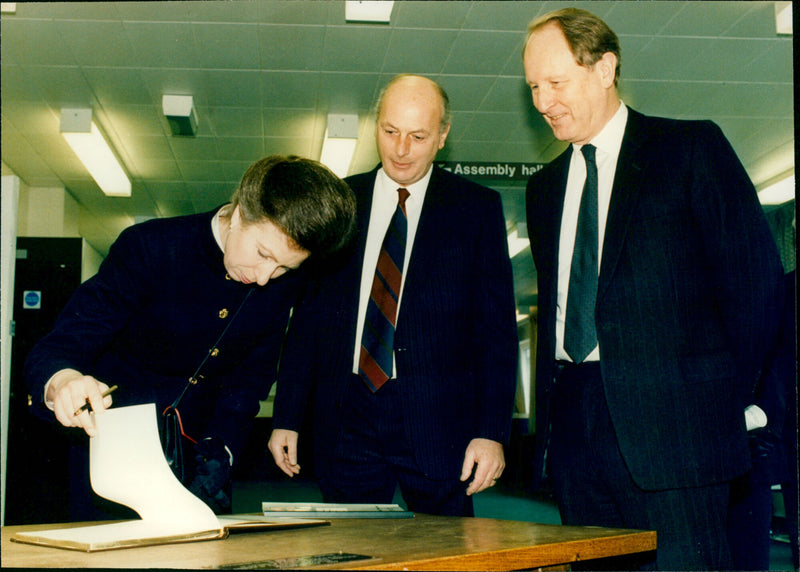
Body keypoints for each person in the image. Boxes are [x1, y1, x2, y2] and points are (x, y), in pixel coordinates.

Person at [522, 8, 784, 570]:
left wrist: (721, 399)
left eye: (556, 83)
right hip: (577, 431)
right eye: (534, 87)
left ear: (605, 68)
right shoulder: (543, 190)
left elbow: (755, 285)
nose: (543, 101)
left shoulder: (688, 150)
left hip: (680, 433)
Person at [25, 155, 356, 515]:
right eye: (262, 254)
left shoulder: (283, 284)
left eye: (282, 267)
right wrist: (64, 380)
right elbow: (59, 346)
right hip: (114, 463)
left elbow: (251, 379)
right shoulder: (151, 247)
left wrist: (222, 446)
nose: (264, 277)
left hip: (202, 470)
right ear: (240, 213)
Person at [268, 74, 518, 517]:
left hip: (439, 420)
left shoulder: (475, 210)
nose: (401, 149)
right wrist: (286, 415)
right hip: (347, 412)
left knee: (447, 557)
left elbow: (496, 333)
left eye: (418, 136)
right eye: (390, 132)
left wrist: (491, 432)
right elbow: (308, 319)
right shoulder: (339, 200)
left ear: (442, 137)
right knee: (352, 551)